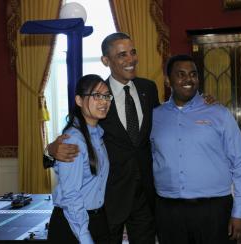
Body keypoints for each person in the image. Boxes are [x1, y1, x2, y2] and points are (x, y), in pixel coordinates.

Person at [48, 32, 159, 244]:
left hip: (145, 194)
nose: (131, 59)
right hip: (110, 200)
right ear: (106, 60)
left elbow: (163, 123)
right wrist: (50, 150)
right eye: (122, 55)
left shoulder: (148, 89)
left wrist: (200, 101)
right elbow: (72, 139)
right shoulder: (97, 102)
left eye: (133, 52)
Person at [150, 54, 241, 244]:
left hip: (214, 210)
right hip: (168, 211)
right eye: (180, 74)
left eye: (193, 74)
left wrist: (240, 212)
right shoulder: (154, 117)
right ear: (167, 80)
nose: (188, 79)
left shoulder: (219, 114)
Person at [47, 74, 112, 244]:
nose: (104, 101)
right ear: (79, 100)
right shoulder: (73, 140)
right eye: (96, 96)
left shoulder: (98, 134)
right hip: (73, 226)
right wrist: (84, 236)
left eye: (107, 96)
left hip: (96, 220)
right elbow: (71, 196)